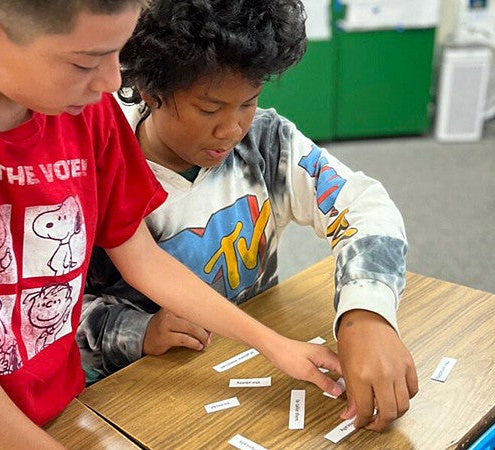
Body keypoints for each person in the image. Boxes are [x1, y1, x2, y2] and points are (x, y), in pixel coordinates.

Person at [0, 1, 346, 448]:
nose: (113, 81)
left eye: (118, 51)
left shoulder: (85, 106)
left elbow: (142, 259)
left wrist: (274, 345)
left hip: (57, 406)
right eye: (87, 62)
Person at [77, 0, 419, 432]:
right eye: (208, 109)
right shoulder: (99, 160)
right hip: (138, 392)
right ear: (149, 90)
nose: (232, 129)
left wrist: (365, 313)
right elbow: (49, 309)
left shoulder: (266, 142)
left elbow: (365, 205)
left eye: (248, 102)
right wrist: (135, 330)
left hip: (257, 363)